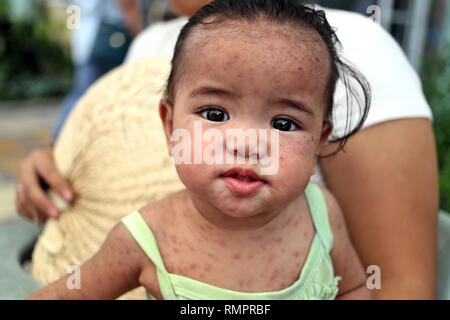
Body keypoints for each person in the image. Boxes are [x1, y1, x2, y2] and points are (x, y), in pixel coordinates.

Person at [16, 0, 442, 299]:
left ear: (320, 140)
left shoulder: (321, 217)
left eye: (284, 124)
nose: (247, 143)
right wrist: (58, 159)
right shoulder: (144, 238)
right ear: (169, 126)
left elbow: (355, 286)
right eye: (215, 115)